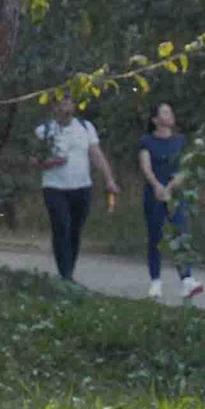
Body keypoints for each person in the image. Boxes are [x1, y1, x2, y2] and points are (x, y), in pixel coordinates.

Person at [34, 96, 116, 283]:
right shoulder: (44, 131)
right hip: (55, 187)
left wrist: (108, 179)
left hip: (81, 186)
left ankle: (69, 269)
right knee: (61, 226)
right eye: (61, 103)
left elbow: (96, 155)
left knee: (75, 230)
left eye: (68, 103)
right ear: (54, 107)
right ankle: (65, 275)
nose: (65, 107)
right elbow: (33, 159)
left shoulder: (85, 127)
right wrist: (49, 162)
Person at [137, 101, 205, 304]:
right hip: (154, 194)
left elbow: (185, 167)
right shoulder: (146, 141)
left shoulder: (180, 141)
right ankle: (155, 281)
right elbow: (145, 165)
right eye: (165, 112)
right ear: (155, 119)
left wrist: (170, 187)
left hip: (175, 194)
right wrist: (157, 186)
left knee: (180, 233)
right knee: (155, 236)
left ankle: (187, 279)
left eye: (170, 111)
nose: (170, 115)